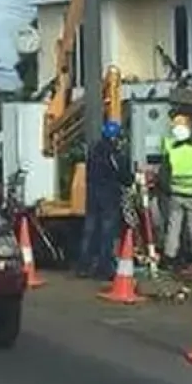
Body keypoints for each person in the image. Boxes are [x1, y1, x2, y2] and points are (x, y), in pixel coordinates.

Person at [79, 119, 132, 280]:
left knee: (90, 230)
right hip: (109, 196)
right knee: (107, 232)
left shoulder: (94, 151)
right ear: (115, 137)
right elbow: (125, 177)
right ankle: (104, 267)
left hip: (92, 195)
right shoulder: (114, 154)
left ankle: (84, 265)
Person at [158, 113, 192, 269]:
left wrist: (169, 191)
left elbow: (163, 177)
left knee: (174, 226)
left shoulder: (172, 153)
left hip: (176, 195)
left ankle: (170, 256)